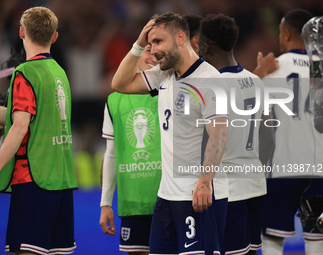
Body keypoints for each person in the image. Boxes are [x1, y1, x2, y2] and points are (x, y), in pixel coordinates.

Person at [112, 12, 229, 254]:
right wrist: (138, 43)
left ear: (179, 38)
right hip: (165, 197)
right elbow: (120, 84)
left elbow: (218, 135)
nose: (152, 50)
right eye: (150, 43)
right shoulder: (163, 75)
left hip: (196, 195)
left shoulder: (210, 79)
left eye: (158, 42)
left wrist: (205, 182)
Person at [0, 6, 78, 255]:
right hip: (61, 181)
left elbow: (20, 125)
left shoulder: (25, 72)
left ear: (21, 32)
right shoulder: (59, 72)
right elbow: (15, 118)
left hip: (33, 179)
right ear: (54, 36)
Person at [199, 13, 274, 255]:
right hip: (256, 185)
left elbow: (207, 142)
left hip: (228, 190)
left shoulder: (212, 86)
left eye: (200, 43)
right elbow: (269, 139)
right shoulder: (255, 80)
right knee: (252, 251)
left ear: (207, 46)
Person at [259, 9, 323, 255]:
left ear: (285, 33)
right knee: (316, 238)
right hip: (318, 168)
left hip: (282, 167)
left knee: (273, 239)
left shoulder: (271, 67)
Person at [99, 45, 160, 255]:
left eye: (157, 50)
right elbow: (111, 154)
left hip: (168, 199)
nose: (152, 56)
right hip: (132, 202)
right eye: (148, 49)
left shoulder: (169, 90)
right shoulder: (114, 99)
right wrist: (105, 203)